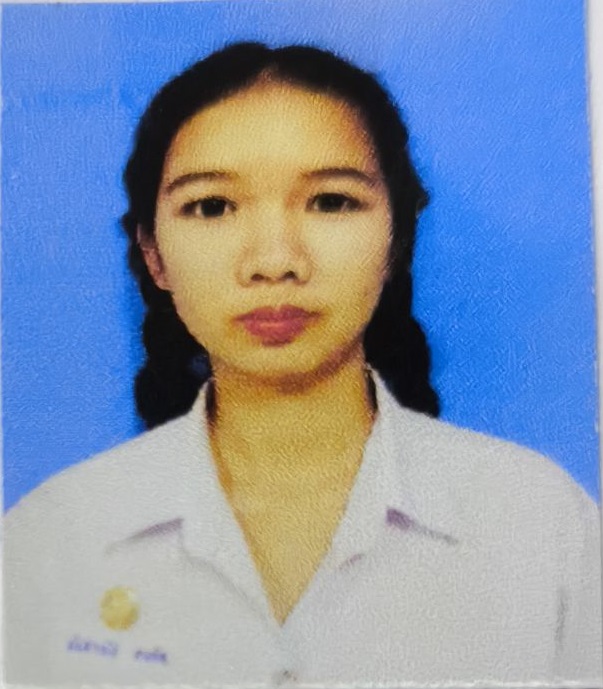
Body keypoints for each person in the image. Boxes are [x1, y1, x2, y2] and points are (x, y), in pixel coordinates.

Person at [4, 42, 602, 687]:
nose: (275, 261)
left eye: (331, 202)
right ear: (153, 254)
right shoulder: (52, 537)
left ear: (397, 238)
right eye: (212, 206)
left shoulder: (537, 522)